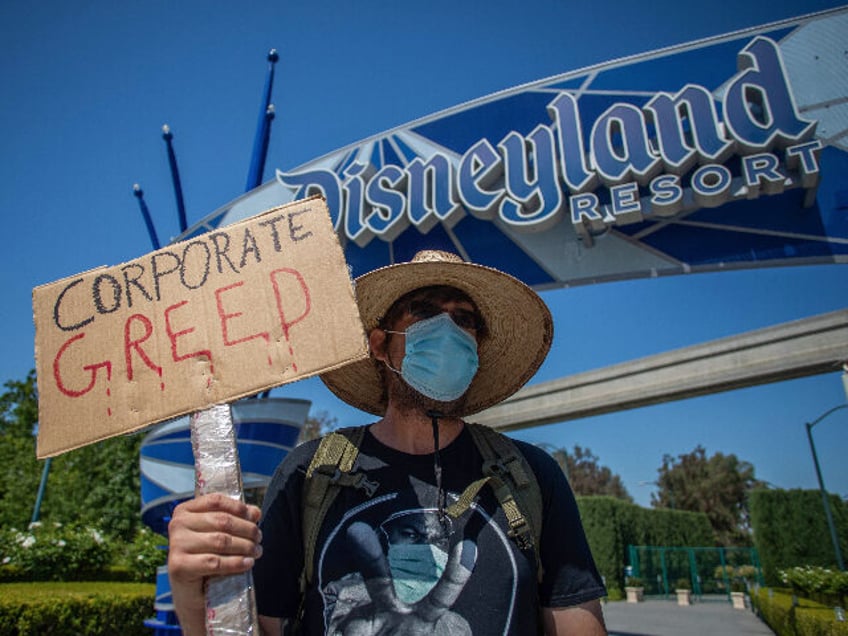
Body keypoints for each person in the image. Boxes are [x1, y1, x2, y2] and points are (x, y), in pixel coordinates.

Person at [168, 250, 608, 635]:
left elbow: (577, 621)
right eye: (425, 312)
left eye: (464, 319)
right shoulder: (312, 476)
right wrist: (192, 595)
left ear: (477, 349)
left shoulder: (530, 476)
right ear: (381, 345)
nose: (449, 329)